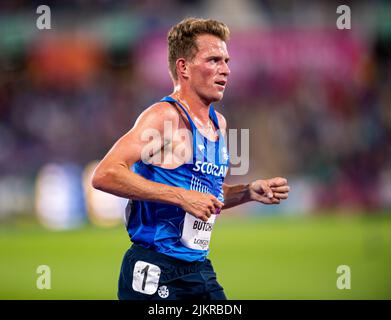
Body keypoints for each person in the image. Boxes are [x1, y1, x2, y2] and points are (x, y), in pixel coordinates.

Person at [91, 17, 290, 300]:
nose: (225, 70)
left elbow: (203, 196)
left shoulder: (218, 123)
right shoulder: (164, 117)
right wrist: (182, 197)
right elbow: (105, 174)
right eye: (213, 60)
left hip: (197, 269)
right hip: (154, 267)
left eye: (226, 61)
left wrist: (248, 192)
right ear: (183, 67)